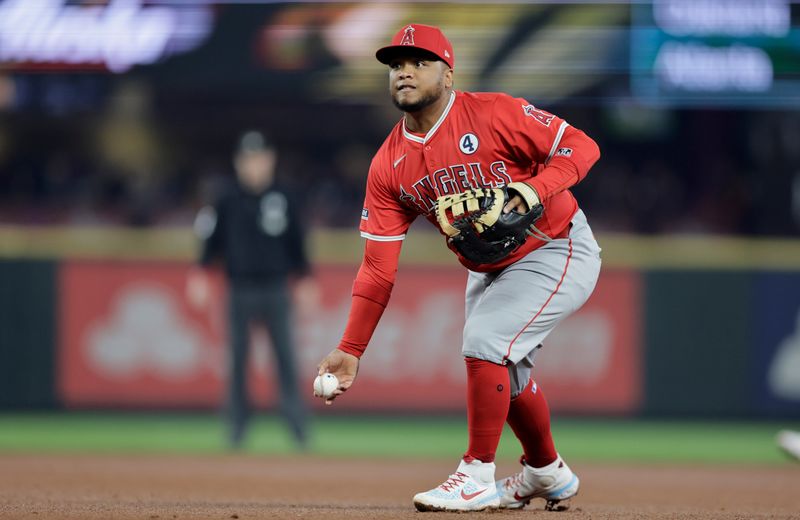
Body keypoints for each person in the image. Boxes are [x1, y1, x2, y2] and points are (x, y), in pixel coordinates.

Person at [314, 24, 601, 512]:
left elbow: (582, 146)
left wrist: (535, 188)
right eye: (396, 64)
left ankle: (476, 474)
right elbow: (378, 270)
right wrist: (350, 349)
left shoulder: (494, 113)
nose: (404, 71)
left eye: (419, 61)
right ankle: (546, 472)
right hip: (488, 268)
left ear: (448, 73)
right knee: (504, 375)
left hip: (555, 246)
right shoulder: (388, 165)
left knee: (485, 343)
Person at [187, 130, 318, 450]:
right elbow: (210, 239)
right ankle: (236, 427)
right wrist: (202, 272)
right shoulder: (225, 198)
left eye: (259, 158)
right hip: (239, 287)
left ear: (270, 160)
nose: (254, 165)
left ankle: (297, 427)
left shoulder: (285, 195)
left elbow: (297, 242)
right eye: (248, 159)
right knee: (237, 359)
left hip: (276, 286)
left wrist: (305, 279)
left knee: (286, 358)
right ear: (238, 163)